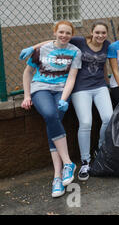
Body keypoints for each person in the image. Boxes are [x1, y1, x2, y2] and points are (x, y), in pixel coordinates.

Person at [19, 21, 114, 181]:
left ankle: (98, 151)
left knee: (107, 118)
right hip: (69, 88)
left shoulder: (100, 46)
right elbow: (53, 43)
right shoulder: (78, 42)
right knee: (76, 121)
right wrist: (33, 48)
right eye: (97, 32)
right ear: (91, 32)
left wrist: (107, 83)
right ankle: (80, 162)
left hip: (83, 88)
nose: (100, 35)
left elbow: (103, 66)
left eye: (103, 33)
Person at [20, 21, 81, 198]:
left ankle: (57, 176)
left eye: (68, 33)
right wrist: (27, 95)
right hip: (41, 88)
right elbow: (27, 72)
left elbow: (71, 78)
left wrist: (64, 98)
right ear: (55, 32)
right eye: (61, 32)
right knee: (49, 114)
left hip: (61, 90)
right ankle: (68, 163)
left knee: (52, 122)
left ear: (72, 35)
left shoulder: (75, 52)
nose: (64, 35)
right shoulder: (41, 49)